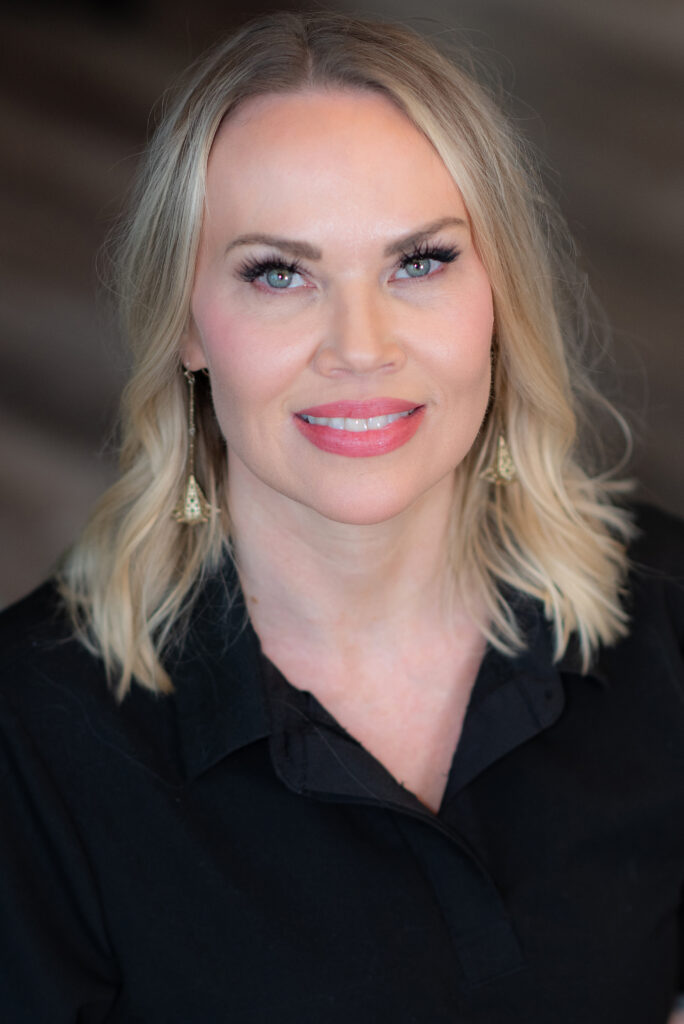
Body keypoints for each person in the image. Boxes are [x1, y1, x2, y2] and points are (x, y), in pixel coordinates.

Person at [1, 10, 683, 1023]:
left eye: (420, 261)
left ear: (499, 296)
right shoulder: (31, 738)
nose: (359, 345)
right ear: (186, 325)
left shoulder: (665, 606)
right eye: (280, 271)